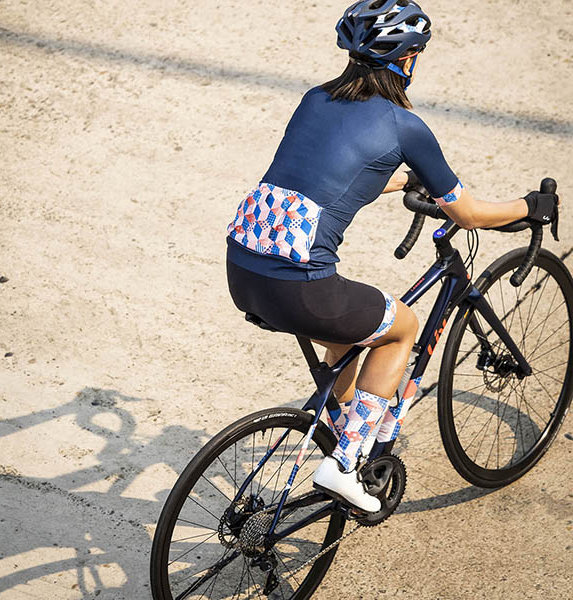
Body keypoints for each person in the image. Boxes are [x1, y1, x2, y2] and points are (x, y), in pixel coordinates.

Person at [225, 0, 559, 512]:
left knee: (348, 337)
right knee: (402, 327)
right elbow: (468, 214)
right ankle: (344, 465)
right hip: (300, 287)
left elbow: (326, 179)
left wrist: (403, 181)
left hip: (243, 270)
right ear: (408, 59)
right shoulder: (405, 126)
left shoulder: (315, 99)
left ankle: (344, 434)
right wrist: (529, 207)